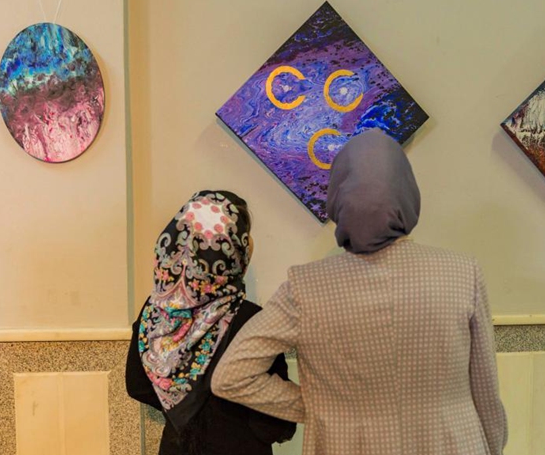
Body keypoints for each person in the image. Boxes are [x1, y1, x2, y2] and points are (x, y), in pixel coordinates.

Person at [212, 129, 508, 455]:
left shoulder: (304, 288)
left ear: (338, 197)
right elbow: (486, 394)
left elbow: (230, 376)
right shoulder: (462, 273)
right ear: (407, 192)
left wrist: (313, 406)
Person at [125, 190, 296, 455]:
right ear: (234, 247)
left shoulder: (156, 312)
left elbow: (137, 385)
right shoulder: (252, 320)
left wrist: (180, 404)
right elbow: (276, 425)